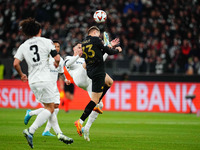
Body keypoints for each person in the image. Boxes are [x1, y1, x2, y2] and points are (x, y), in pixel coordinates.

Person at [13, 18, 73, 148]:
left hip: (33, 81)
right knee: (51, 108)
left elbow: (16, 63)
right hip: (45, 79)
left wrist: (22, 74)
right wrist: (57, 63)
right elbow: (56, 58)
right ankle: (31, 130)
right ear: (40, 30)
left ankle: (59, 134)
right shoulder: (47, 42)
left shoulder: (23, 46)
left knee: (50, 107)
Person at [74, 26, 122, 138]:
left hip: (91, 70)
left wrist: (108, 44)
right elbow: (108, 52)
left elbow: (100, 50)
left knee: (110, 82)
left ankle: (96, 104)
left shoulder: (84, 42)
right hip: (98, 72)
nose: (99, 36)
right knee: (94, 100)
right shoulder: (96, 40)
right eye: (98, 34)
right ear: (95, 32)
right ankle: (80, 121)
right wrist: (117, 50)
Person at [23, 40, 71, 137]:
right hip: (45, 86)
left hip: (54, 87)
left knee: (54, 108)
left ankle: (38, 121)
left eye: (58, 46)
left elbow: (60, 72)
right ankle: (48, 130)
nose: (56, 48)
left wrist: (65, 79)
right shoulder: (45, 58)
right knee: (50, 108)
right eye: (55, 46)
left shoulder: (60, 59)